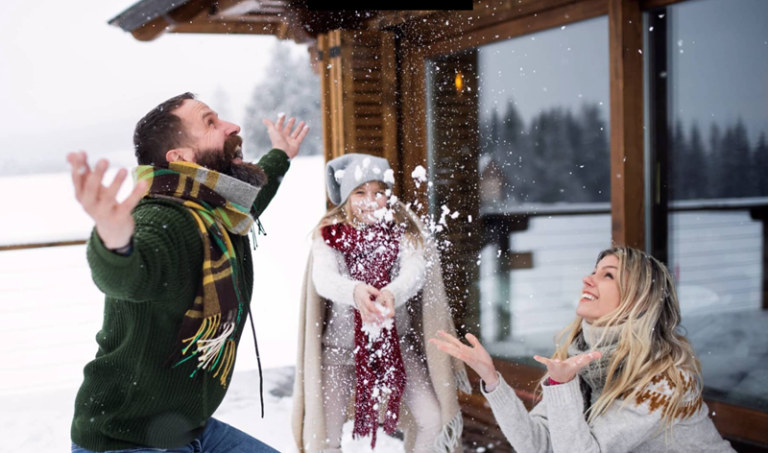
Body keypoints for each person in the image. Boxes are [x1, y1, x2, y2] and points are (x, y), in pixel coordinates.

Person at [67, 92, 309, 453]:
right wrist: (115, 241)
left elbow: (253, 196)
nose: (233, 126)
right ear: (180, 158)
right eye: (211, 122)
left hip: (186, 429)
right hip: (123, 439)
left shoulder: (219, 209)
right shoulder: (166, 217)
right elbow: (129, 276)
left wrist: (281, 155)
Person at [431, 246, 736, 453]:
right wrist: (493, 380)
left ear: (637, 300)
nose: (587, 279)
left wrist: (562, 386)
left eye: (608, 275)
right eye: (595, 270)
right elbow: (539, 445)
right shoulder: (583, 358)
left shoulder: (663, 378)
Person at [292, 154, 471, 453]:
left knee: (433, 418)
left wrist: (391, 293)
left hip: (397, 345)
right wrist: (356, 291)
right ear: (346, 198)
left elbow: (414, 273)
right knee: (326, 437)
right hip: (340, 352)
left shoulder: (405, 231)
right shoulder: (330, 234)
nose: (370, 200)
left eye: (378, 192)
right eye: (360, 192)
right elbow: (323, 279)